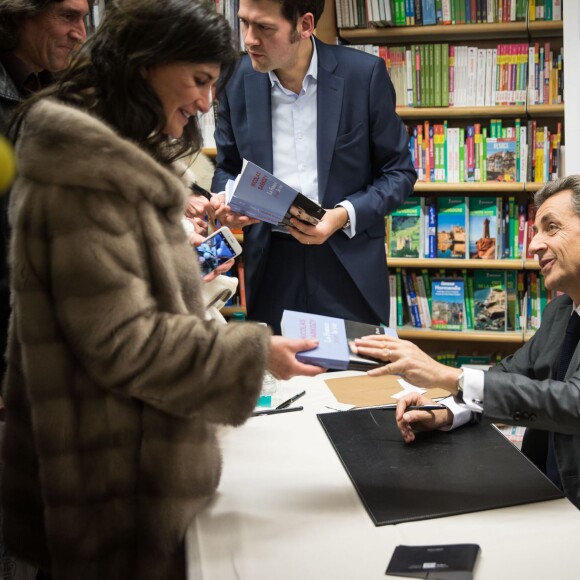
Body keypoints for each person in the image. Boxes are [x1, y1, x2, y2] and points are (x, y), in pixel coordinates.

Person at [1, 1, 323, 578]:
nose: (205, 102)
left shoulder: (114, 159)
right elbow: (125, 340)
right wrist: (253, 353)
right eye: (198, 81)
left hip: (128, 455)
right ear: (145, 64)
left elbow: (132, 289)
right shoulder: (84, 182)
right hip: (113, 483)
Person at [352, 175, 580, 510]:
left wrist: (447, 376)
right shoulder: (560, 310)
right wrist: (444, 411)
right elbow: (510, 374)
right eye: (534, 231)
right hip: (544, 496)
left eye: (551, 227)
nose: (533, 245)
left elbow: (573, 403)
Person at [211, 0, 416, 334]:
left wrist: (342, 215)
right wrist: (228, 198)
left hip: (347, 264)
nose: (248, 39)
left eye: (263, 27)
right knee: (280, 381)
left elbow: (399, 173)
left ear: (305, 25)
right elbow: (227, 168)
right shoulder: (234, 81)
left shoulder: (363, 76)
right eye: (244, 24)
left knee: (358, 379)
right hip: (271, 264)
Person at [0, 0, 89, 396]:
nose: (80, 34)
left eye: (84, 19)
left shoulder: (58, 90)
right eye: (67, 16)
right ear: (20, 13)